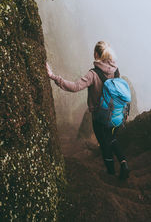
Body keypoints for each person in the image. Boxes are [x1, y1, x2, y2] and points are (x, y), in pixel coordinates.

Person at [46, 41, 129, 180]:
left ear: (97, 54)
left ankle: (110, 173)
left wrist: (53, 76)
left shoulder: (93, 74)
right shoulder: (115, 70)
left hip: (100, 116)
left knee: (104, 144)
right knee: (112, 139)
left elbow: (74, 87)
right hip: (116, 114)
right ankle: (124, 164)